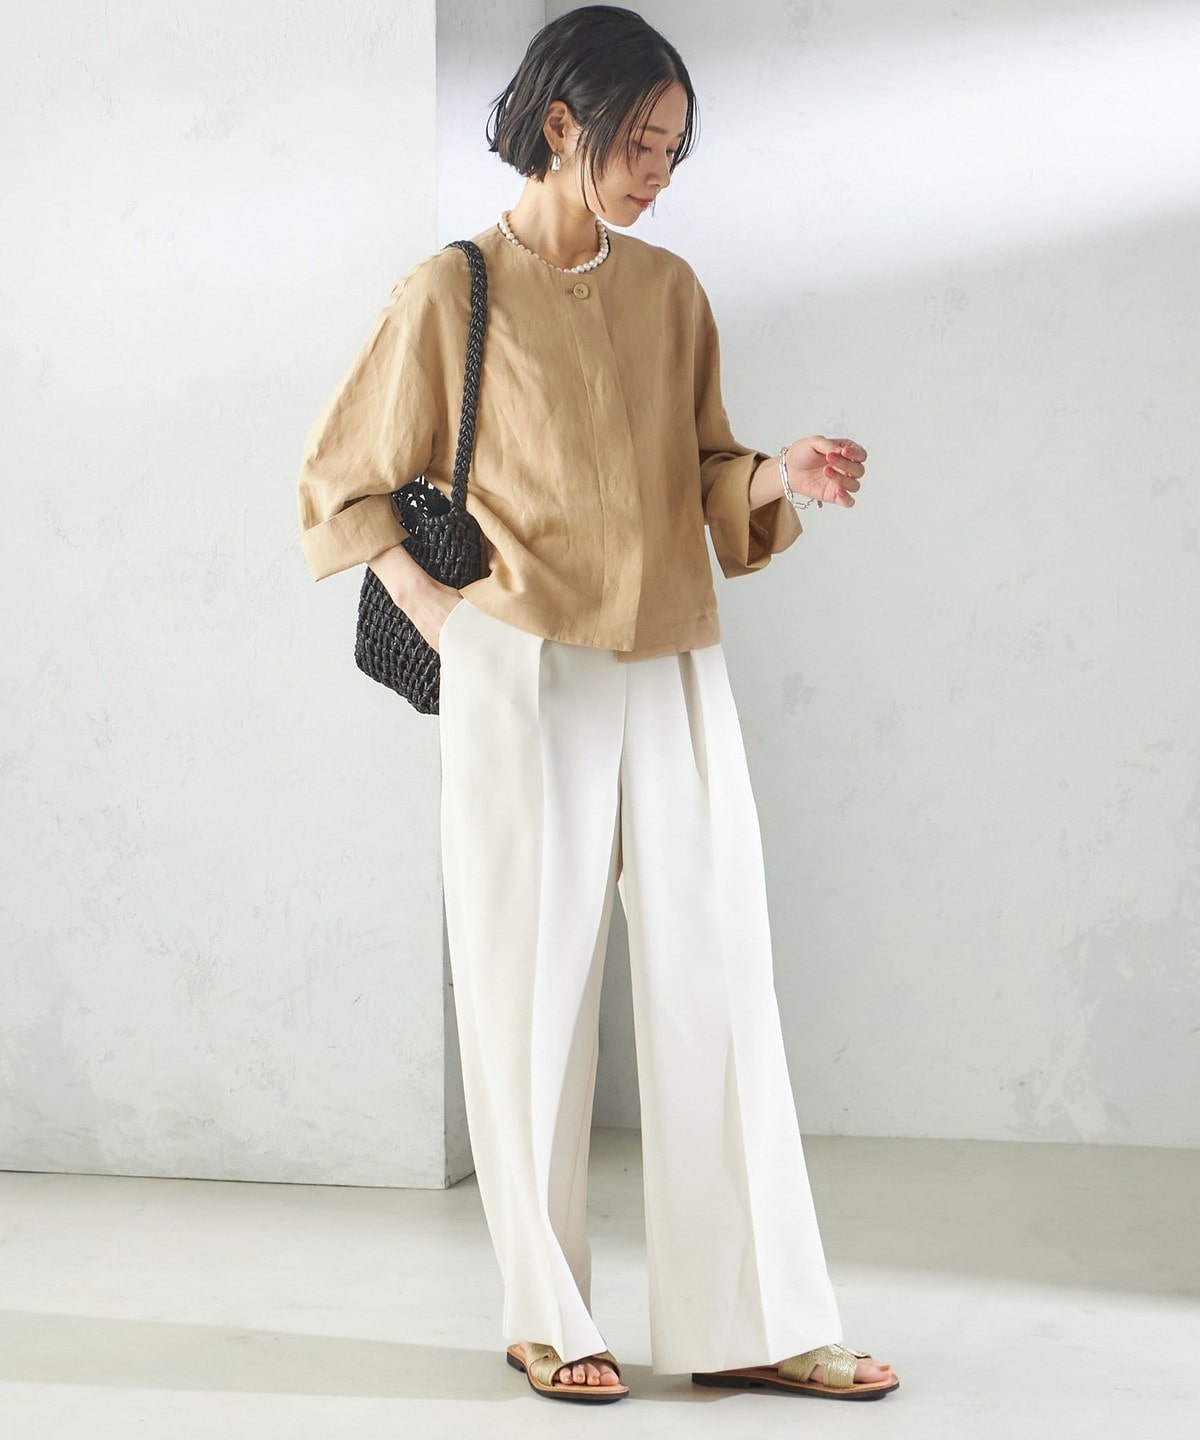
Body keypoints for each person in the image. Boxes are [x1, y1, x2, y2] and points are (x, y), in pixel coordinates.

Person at [297, 3, 896, 1407]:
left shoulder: (672, 291)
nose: (659, 174)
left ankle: (753, 1319)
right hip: (524, 669)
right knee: (529, 996)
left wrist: (780, 473)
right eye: (641, 143)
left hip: (674, 660)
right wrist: (445, 621)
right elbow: (341, 481)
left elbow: (704, 469)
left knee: (721, 982)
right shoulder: (449, 294)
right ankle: (544, 1312)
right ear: (561, 123)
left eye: (676, 150)